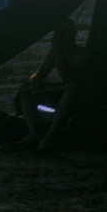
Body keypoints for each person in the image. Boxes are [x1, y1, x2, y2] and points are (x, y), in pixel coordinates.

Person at [13, 17, 87, 151]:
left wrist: (62, 59)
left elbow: (78, 80)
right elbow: (39, 74)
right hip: (63, 90)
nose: (60, 36)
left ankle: (50, 136)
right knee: (24, 90)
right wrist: (35, 80)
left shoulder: (81, 54)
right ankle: (34, 132)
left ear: (72, 34)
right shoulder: (55, 53)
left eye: (64, 33)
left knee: (72, 88)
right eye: (58, 33)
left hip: (78, 94)